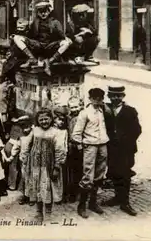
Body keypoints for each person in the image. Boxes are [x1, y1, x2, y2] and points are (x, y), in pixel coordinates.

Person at [20, 109, 67, 222]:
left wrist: (57, 166)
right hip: (35, 165)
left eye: (46, 119)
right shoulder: (34, 131)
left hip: (49, 166)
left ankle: (49, 213)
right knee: (37, 189)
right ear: (37, 120)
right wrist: (25, 159)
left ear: (51, 119)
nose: (44, 121)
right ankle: (39, 213)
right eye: (41, 119)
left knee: (47, 189)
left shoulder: (55, 132)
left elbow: (60, 149)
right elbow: (27, 145)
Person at [104, 85, 142, 216]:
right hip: (111, 148)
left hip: (126, 149)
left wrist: (124, 142)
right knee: (114, 172)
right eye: (112, 95)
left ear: (123, 96)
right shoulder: (105, 109)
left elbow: (137, 130)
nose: (115, 98)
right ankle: (117, 197)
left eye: (118, 95)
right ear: (108, 96)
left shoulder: (130, 111)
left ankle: (125, 202)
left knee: (125, 174)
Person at [72, 88, 109, 218]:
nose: (97, 101)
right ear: (90, 98)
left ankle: (93, 203)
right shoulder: (85, 113)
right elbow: (76, 133)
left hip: (103, 144)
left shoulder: (102, 111)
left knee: (99, 175)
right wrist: (82, 145)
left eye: (100, 98)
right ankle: (81, 205)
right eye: (95, 98)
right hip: (90, 146)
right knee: (88, 175)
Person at [13, 1, 72, 76]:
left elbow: (62, 35)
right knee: (16, 38)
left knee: (66, 43)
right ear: (38, 13)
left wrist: (66, 39)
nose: (43, 14)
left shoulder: (55, 22)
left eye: (45, 11)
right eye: (41, 12)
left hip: (50, 45)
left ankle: (50, 61)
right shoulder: (35, 22)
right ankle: (32, 58)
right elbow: (30, 35)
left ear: (48, 11)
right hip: (38, 45)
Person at [66, 97, 83, 202]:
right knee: (71, 170)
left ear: (80, 106)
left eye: (76, 107)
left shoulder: (82, 117)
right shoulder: (68, 118)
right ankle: (72, 192)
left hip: (79, 146)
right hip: (70, 146)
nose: (74, 109)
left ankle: (79, 192)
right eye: (72, 107)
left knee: (79, 169)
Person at [53, 108, 69, 204]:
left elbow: (65, 144)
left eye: (63, 120)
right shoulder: (51, 131)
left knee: (61, 177)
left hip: (61, 156)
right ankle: (53, 196)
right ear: (54, 119)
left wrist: (65, 154)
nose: (61, 122)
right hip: (53, 156)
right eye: (59, 120)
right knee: (53, 176)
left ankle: (60, 196)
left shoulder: (64, 131)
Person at [18, 117, 35, 206]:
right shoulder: (21, 136)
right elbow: (17, 147)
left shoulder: (33, 134)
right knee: (24, 178)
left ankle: (32, 197)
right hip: (23, 160)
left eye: (26, 127)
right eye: (22, 127)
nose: (24, 129)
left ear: (31, 126)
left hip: (32, 160)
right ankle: (25, 195)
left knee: (32, 178)